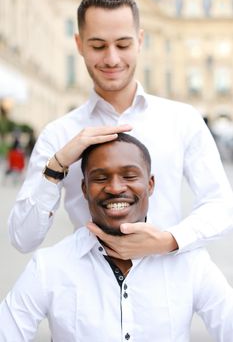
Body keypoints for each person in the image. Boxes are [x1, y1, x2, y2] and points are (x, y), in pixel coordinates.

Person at [8, 0, 233, 255]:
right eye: (98, 46)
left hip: (167, 287)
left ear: (140, 41)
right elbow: (22, 239)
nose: (112, 59)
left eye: (123, 45)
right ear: (79, 44)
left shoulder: (182, 119)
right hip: (89, 289)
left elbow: (222, 207)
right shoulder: (58, 133)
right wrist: (56, 167)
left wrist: (169, 240)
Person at [1, 134, 233, 341]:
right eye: (100, 178)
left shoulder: (191, 263)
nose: (114, 187)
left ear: (150, 184)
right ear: (84, 188)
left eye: (130, 176)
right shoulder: (49, 266)